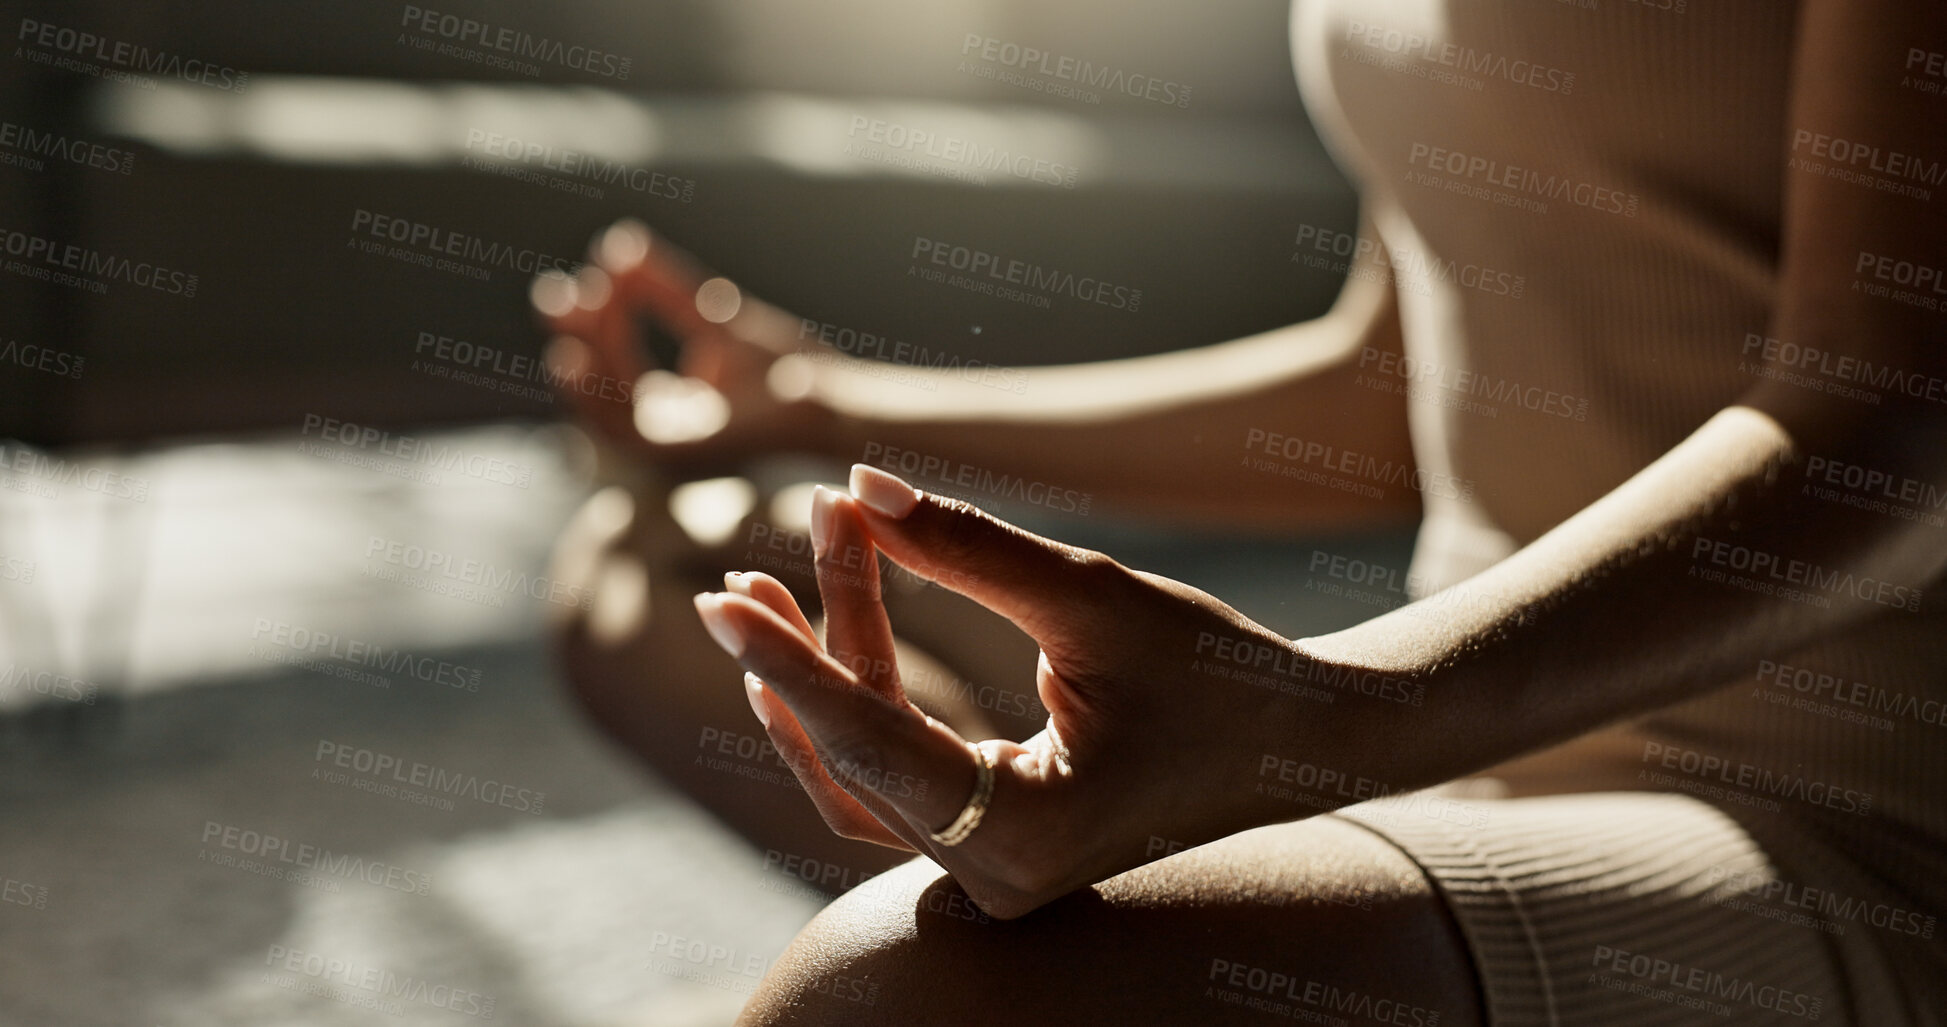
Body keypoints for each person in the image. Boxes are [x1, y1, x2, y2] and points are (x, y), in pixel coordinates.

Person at [538, 1, 1947, 1023]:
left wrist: (1324, 721)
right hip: (1460, 725)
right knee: (663, 571)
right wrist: (822, 405)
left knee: (882, 1001)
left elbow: (1902, 424)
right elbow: (1382, 395)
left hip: (1837, 820)